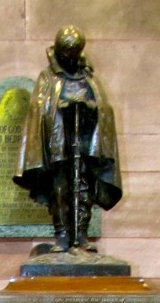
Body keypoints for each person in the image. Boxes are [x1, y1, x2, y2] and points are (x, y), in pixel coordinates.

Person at [13, 25, 122, 252]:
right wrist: (58, 108)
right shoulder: (48, 77)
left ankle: (81, 235)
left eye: (72, 56)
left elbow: (105, 109)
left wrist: (90, 107)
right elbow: (38, 107)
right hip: (58, 144)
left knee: (84, 188)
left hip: (84, 143)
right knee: (60, 188)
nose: (68, 60)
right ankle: (62, 235)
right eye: (65, 55)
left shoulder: (88, 77)